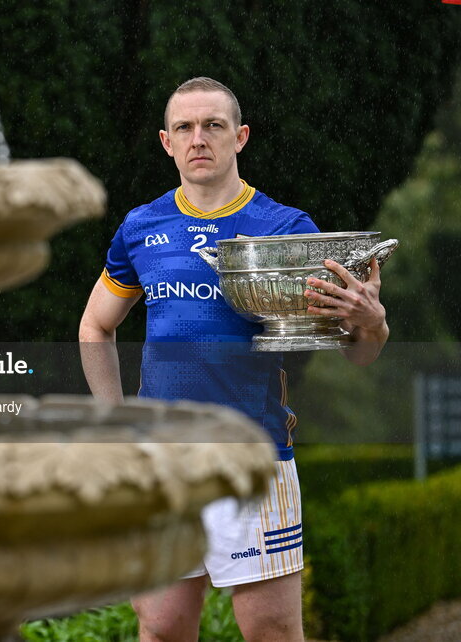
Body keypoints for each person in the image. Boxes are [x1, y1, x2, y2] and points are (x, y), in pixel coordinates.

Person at [78, 77, 388, 641]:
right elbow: (96, 325)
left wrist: (372, 323)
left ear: (240, 136)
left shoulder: (286, 231)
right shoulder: (141, 228)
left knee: (270, 629)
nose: (199, 139)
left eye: (213, 126)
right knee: (163, 626)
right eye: (185, 128)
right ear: (166, 143)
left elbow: (359, 354)